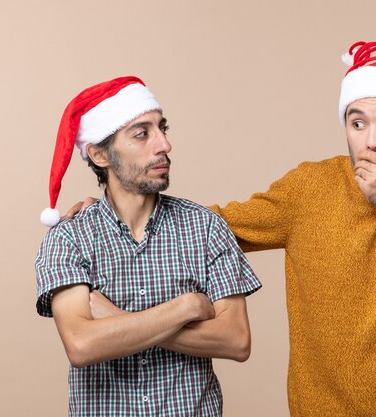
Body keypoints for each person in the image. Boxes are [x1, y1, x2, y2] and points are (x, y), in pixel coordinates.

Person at [69, 41, 376, 416]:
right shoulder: (310, 187)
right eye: (357, 123)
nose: (371, 141)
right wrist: (115, 210)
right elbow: (210, 227)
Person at [35, 76, 261, 417]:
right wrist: (186, 307)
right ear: (99, 154)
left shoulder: (205, 227)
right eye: (142, 134)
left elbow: (236, 339)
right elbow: (82, 344)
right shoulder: (70, 237)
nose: (164, 145)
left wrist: (117, 320)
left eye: (162, 129)